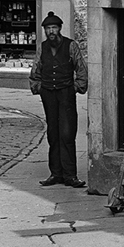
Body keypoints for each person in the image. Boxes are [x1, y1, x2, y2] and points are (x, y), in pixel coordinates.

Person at [29, 12, 88, 188]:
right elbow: (35, 69)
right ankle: (56, 174)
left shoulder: (71, 46)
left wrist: (75, 88)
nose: (51, 31)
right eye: (48, 28)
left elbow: (81, 68)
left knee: (67, 133)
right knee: (53, 134)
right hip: (49, 94)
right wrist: (38, 87)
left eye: (54, 28)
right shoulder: (42, 47)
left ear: (60, 28)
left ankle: (70, 175)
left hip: (66, 93)